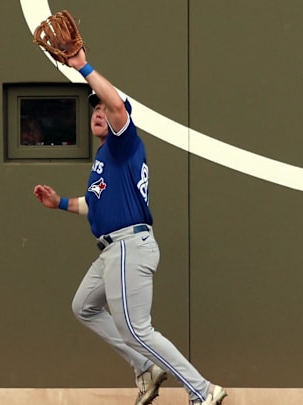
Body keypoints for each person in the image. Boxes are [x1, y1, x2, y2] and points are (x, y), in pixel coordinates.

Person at [32, 48, 227, 405]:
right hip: (113, 249)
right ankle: (146, 368)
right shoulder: (106, 158)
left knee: (138, 329)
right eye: (95, 107)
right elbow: (93, 206)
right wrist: (60, 203)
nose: (100, 111)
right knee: (84, 307)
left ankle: (202, 391)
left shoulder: (124, 144)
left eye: (104, 107)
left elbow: (119, 107)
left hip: (128, 246)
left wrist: (82, 67)